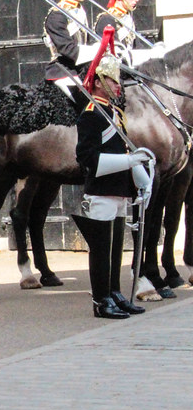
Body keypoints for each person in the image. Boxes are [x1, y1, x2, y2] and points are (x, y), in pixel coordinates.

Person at [73, 26, 154, 319]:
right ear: (96, 82)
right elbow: (88, 159)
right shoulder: (91, 115)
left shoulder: (114, 113)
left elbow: (125, 153)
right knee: (100, 249)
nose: (118, 86)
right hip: (102, 189)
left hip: (120, 189)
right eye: (112, 81)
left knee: (116, 248)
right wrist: (130, 164)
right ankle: (100, 300)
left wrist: (141, 178)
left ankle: (115, 292)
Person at [44, 0, 99, 100]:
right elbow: (68, 50)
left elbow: (86, 42)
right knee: (85, 104)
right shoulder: (56, 15)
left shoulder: (80, 11)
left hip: (81, 68)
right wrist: (98, 51)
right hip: (62, 71)